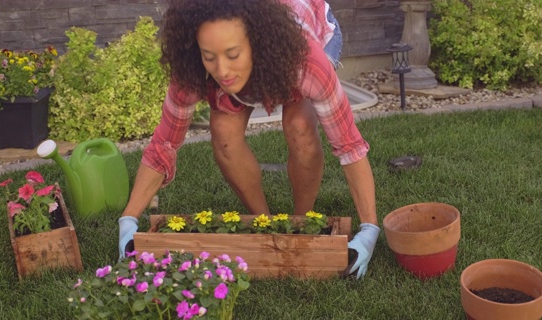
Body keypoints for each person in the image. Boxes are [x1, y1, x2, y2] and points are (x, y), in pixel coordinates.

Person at [118, 0, 380, 279]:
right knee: (224, 134)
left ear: (256, 42)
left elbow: (349, 146)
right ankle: (265, 223)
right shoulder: (192, 71)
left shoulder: (306, 63)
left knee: (299, 124)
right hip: (263, 57)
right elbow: (164, 144)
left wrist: (369, 229)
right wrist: (129, 219)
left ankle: (301, 222)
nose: (222, 71)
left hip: (312, 31)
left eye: (232, 55)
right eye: (209, 56)